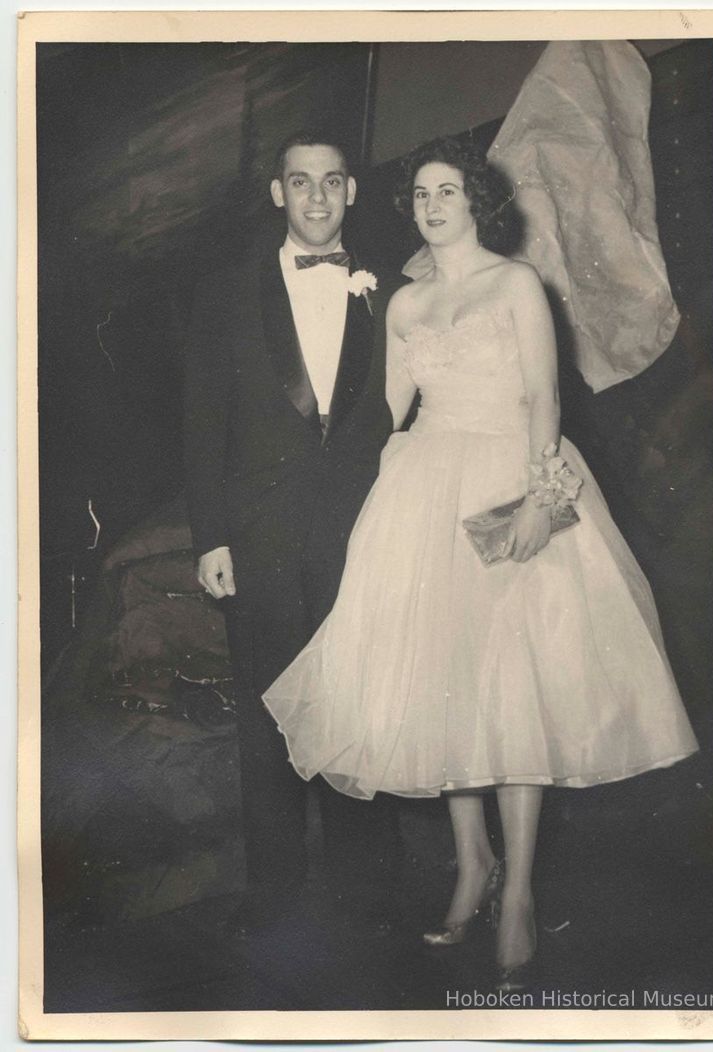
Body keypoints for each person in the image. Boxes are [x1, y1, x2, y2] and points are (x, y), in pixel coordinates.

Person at [262, 137, 698, 986]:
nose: (431, 206)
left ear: (477, 203)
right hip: (424, 488)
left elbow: (545, 396)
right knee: (441, 681)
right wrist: (319, 473)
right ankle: (471, 867)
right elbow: (389, 408)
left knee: (511, 686)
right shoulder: (405, 303)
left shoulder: (515, 284)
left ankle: (523, 890)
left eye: (447, 192)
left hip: (508, 478)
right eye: (421, 194)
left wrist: (543, 498)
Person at [183, 131, 403, 927]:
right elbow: (203, 422)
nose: (317, 198)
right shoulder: (224, 292)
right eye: (300, 182)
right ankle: (273, 896)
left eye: (332, 182)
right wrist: (211, 535)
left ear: (352, 192)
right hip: (260, 537)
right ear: (278, 192)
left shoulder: (392, 291)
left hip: (364, 533)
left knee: (357, 705)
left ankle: (368, 895)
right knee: (268, 712)